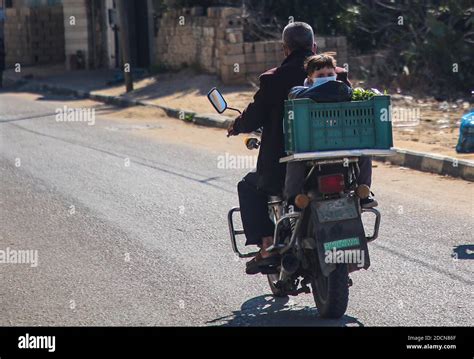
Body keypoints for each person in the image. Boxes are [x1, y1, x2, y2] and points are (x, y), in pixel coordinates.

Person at [227, 22, 352, 275]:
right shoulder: (337, 74)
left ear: (285, 50)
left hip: (283, 167)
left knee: (249, 186)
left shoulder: (274, 79)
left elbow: (254, 117)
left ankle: (267, 244)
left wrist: (237, 125)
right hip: (338, 159)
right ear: (314, 46)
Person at [285, 53, 377, 207]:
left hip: (343, 143)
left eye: (329, 74)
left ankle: (363, 192)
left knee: (365, 153)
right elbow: (294, 94)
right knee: (296, 159)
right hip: (310, 145)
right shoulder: (299, 91)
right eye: (320, 75)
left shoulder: (344, 91)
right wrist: (327, 89)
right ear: (309, 79)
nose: (326, 77)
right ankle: (293, 201)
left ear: (335, 75)